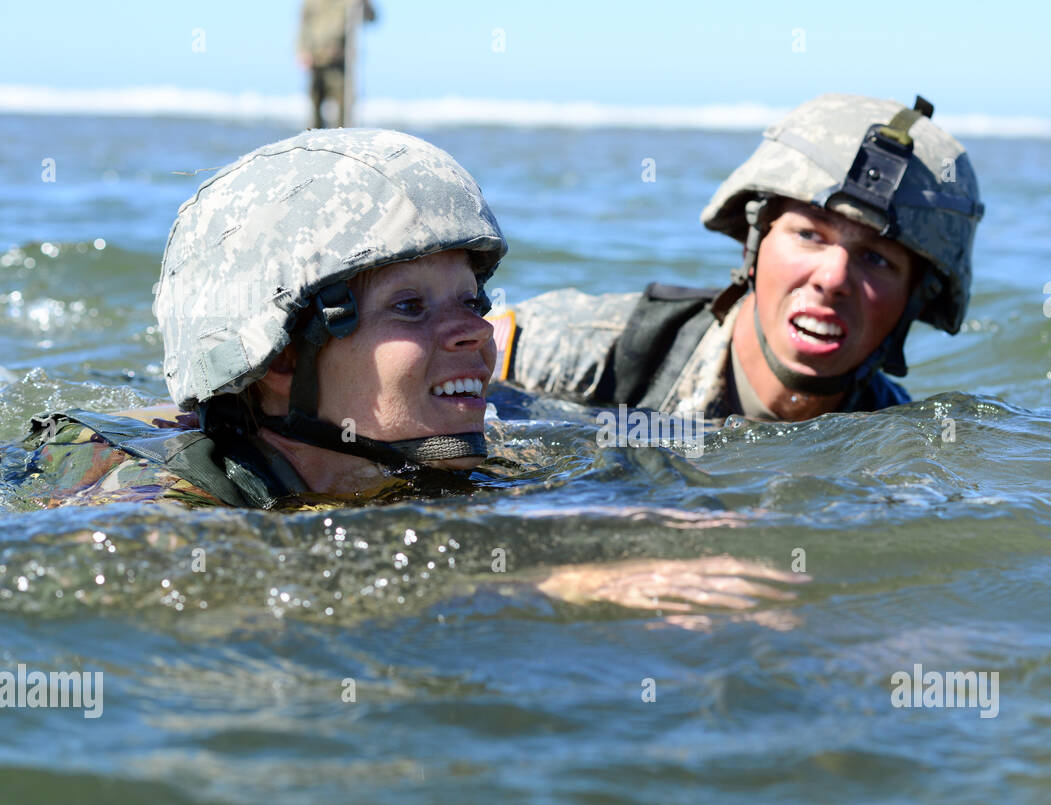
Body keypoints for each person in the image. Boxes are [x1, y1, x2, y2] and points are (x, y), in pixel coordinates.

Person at [15, 128, 797, 611]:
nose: (475, 337)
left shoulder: (451, 446)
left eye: (472, 300)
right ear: (284, 356)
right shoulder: (142, 505)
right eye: (412, 309)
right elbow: (212, 600)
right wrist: (544, 587)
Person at [493, 93, 984, 424]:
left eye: (877, 260)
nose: (833, 279)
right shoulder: (575, 353)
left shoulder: (894, 451)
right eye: (809, 235)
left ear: (913, 301)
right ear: (755, 245)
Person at [297, 0, 377, 128]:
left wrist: (365, 3)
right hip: (316, 59)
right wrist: (302, 50)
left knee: (343, 108)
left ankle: (341, 142)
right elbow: (303, 23)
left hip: (341, 62)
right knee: (315, 105)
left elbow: (371, 17)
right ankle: (313, 143)